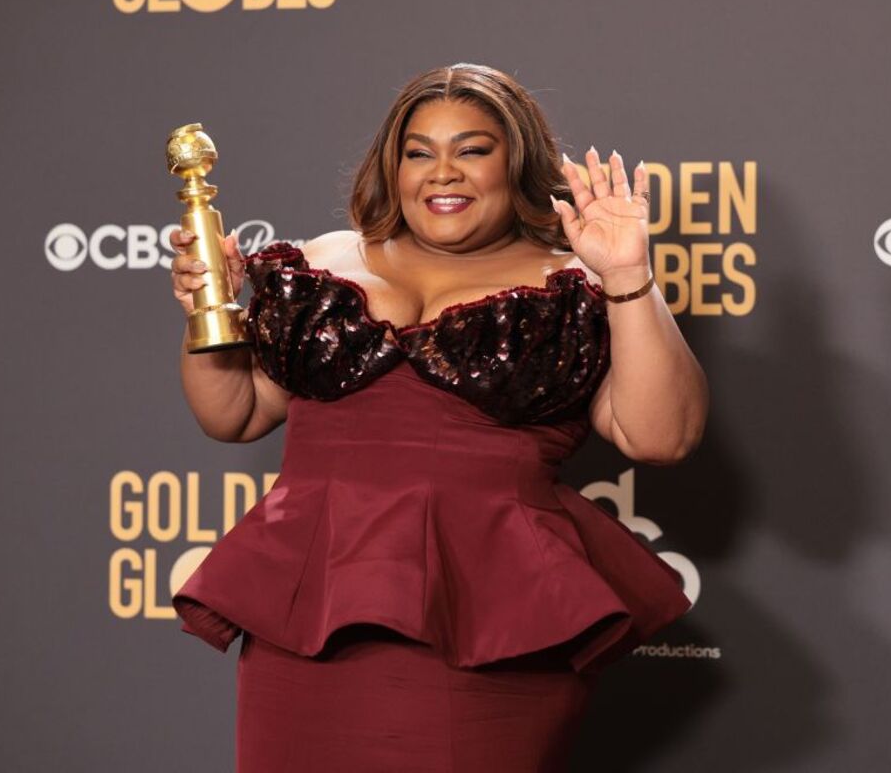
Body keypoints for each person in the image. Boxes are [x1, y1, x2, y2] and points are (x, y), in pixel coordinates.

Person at [168, 63, 708, 772]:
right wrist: (204, 316)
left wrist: (629, 276)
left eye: (472, 150)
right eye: (418, 152)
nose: (441, 174)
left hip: (489, 623)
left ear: (516, 162)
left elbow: (661, 437)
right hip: (311, 622)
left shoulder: (573, 282)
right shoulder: (317, 264)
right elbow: (233, 415)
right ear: (392, 167)